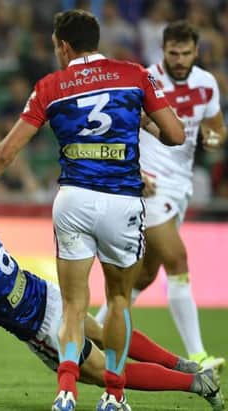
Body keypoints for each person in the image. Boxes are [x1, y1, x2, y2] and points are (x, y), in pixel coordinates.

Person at [0, 9, 185, 411]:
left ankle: (66, 392)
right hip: (122, 199)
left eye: (56, 46)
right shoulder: (135, 74)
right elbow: (175, 135)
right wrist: (141, 122)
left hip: (73, 199)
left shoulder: (51, 85)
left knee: (73, 304)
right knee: (119, 300)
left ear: (65, 46)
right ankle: (113, 395)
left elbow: (5, 153)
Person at [0, 188, 225, 411]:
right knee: (100, 332)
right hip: (45, 293)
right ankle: (182, 364)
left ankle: (195, 384)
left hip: (40, 326)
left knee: (109, 375)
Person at [94, 20, 226, 372]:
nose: (179, 60)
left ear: (196, 51)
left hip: (182, 186)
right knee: (177, 260)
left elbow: (215, 129)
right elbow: (118, 125)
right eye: (173, 53)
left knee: (143, 275)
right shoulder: (145, 79)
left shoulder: (206, 83)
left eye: (185, 53)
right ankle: (198, 356)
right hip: (148, 184)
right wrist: (134, 171)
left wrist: (214, 139)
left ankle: (93, 331)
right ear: (162, 50)